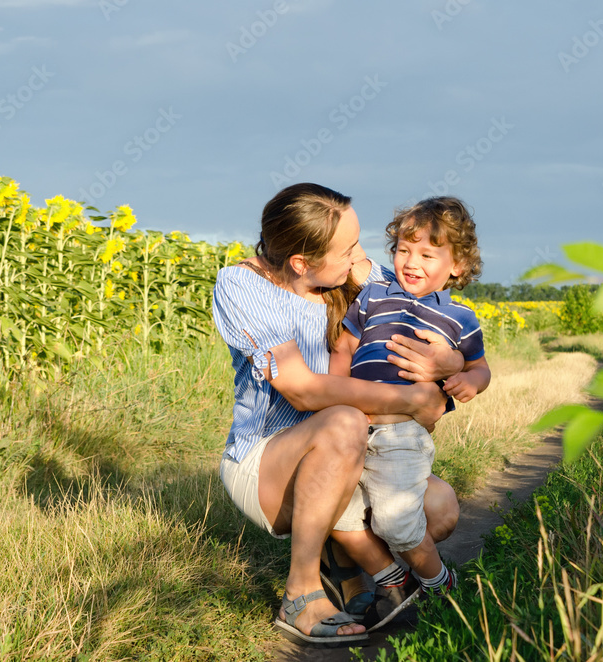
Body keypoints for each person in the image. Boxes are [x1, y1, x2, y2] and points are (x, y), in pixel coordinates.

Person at [210, 183, 464, 646]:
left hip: (357, 452)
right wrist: (410, 401)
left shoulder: (356, 279)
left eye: (358, 242)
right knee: (344, 420)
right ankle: (302, 593)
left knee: (440, 508)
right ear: (300, 263)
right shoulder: (243, 285)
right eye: (347, 251)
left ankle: (357, 565)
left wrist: (452, 362)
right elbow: (303, 390)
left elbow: (438, 312)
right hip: (268, 463)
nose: (360, 259)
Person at [329, 196, 490, 598]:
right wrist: (334, 399)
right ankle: (391, 577)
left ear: (457, 265)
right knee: (339, 512)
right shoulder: (373, 295)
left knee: (395, 521)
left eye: (427, 255)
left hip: (400, 434)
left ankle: (438, 582)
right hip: (351, 427)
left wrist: (470, 381)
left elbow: (480, 368)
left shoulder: (461, 318)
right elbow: (344, 349)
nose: (411, 262)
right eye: (403, 250)